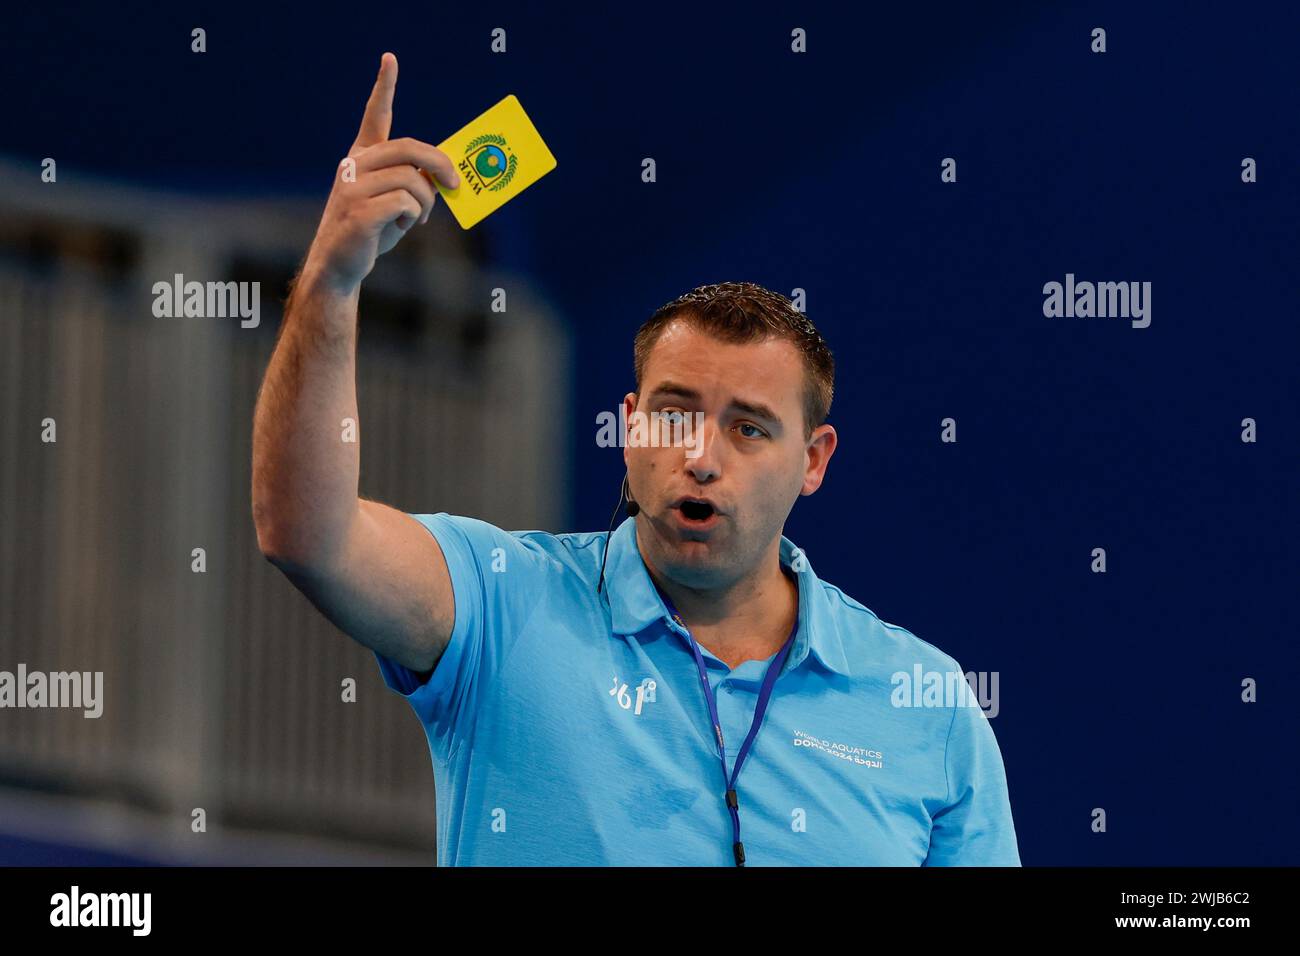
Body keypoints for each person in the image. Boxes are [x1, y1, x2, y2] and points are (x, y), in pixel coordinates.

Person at [251, 52, 1020, 867]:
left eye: (749, 429)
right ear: (628, 426)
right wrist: (333, 283)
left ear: (815, 460)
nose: (699, 456)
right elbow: (305, 532)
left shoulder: (925, 701)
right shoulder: (499, 602)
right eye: (674, 414)